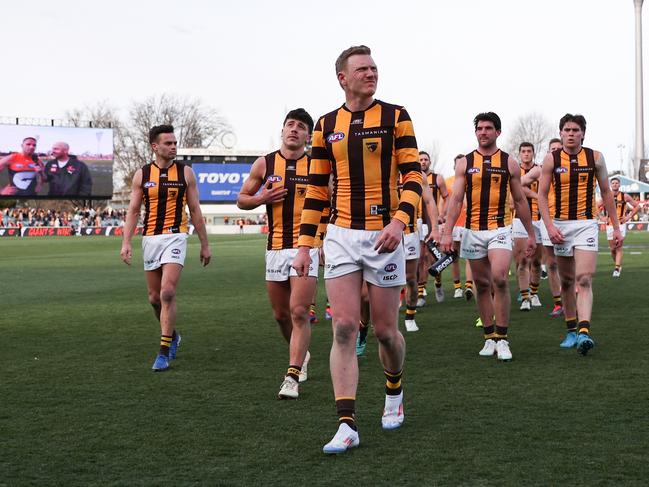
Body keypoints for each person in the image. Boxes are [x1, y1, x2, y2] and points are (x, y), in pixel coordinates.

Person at [292, 45, 423, 454]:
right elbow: (315, 190)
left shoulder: (396, 116)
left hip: (384, 236)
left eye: (374, 67)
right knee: (345, 327)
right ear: (342, 78)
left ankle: (394, 390)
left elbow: (413, 175)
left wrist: (400, 221)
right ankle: (346, 423)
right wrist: (304, 245)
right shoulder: (326, 125)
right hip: (342, 235)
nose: (371, 73)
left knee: (385, 332)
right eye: (362, 69)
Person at [236, 108, 323, 399]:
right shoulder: (265, 163)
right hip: (275, 247)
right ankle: (303, 355)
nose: (294, 130)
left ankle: (292, 375)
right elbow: (241, 200)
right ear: (283, 130)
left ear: (308, 136)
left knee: (300, 312)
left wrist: (319, 243)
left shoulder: (317, 166)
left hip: (306, 247)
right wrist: (263, 197)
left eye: (301, 127)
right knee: (280, 315)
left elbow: (331, 204)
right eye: (290, 125)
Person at [441, 112, 535, 361]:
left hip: (500, 229)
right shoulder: (465, 163)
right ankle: (489, 337)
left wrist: (531, 233)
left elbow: (519, 200)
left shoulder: (509, 162)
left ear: (498, 132)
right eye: (479, 128)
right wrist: (448, 232)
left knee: (500, 278)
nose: (483, 132)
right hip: (473, 230)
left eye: (488, 128)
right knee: (482, 285)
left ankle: (503, 339)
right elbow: (456, 200)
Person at [120, 124, 211, 371]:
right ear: (155, 146)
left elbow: (195, 210)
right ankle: (173, 335)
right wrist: (126, 242)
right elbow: (134, 210)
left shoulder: (186, 173)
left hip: (176, 237)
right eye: (168, 143)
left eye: (174, 143)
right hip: (150, 238)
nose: (173, 147)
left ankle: (163, 352)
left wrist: (204, 244)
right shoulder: (142, 175)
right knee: (154, 298)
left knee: (167, 292)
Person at [538, 114, 622, 355]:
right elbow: (542, 195)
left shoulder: (595, 157)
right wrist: (550, 227)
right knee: (566, 281)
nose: (571, 133)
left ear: (583, 133)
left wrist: (615, 227)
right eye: (567, 129)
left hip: (586, 224)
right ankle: (571, 330)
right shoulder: (551, 159)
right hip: (560, 225)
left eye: (576, 129)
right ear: (561, 133)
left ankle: (584, 332)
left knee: (584, 279)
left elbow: (606, 192)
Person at [401, 168, 440, 332]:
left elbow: (430, 201)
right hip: (382, 228)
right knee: (378, 278)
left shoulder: (418, 173)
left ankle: (410, 315)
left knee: (411, 276)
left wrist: (435, 228)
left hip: (410, 229)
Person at [512, 142, 543, 311]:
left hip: (539, 220)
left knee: (537, 261)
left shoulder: (541, 170)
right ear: (519, 154)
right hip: (519, 220)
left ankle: (534, 292)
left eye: (529, 151)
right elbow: (515, 190)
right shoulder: (514, 171)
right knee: (522, 260)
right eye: (523, 151)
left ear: (533, 153)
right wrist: (537, 196)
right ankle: (525, 297)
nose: (526, 154)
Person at [416, 151, 448, 306]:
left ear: (429, 161)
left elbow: (446, 196)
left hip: (431, 222)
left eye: (425, 159)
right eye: (420, 159)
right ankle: (420, 293)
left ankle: (438, 283)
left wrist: (442, 214)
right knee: (420, 258)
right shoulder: (413, 177)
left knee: (434, 257)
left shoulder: (438, 178)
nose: (423, 162)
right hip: (416, 222)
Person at [600, 177, 639, 277]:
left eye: (616, 183)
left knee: (619, 246)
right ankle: (617, 264)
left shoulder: (625, 196)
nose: (615, 185)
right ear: (610, 185)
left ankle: (617, 268)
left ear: (619, 185)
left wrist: (629, 216)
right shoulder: (606, 196)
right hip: (609, 225)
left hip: (621, 224)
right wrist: (601, 217)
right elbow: (596, 206)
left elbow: (637, 206)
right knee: (613, 248)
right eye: (613, 183)